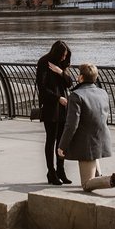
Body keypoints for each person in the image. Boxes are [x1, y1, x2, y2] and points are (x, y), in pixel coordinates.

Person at [57, 63, 115, 197]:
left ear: (80, 77)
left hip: (86, 144)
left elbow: (71, 124)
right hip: (101, 138)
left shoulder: (76, 96)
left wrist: (62, 146)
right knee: (96, 176)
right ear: (95, 77)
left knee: (86, 184)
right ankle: (105, 178)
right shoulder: (103, 93)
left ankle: (113, 179)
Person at [35, 40, 73, 185]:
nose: (64, 58)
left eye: (65, 56)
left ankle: (61, 171)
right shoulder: (44, 62)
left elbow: (69, 83)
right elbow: (42, 88)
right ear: (57, 53)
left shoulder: (61, 65)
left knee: (61, 141)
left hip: (63, 107)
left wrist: (60, 71)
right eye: (63, 55)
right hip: (51, 107)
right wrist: (58, 98)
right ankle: (51, 172)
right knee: (51, 140)